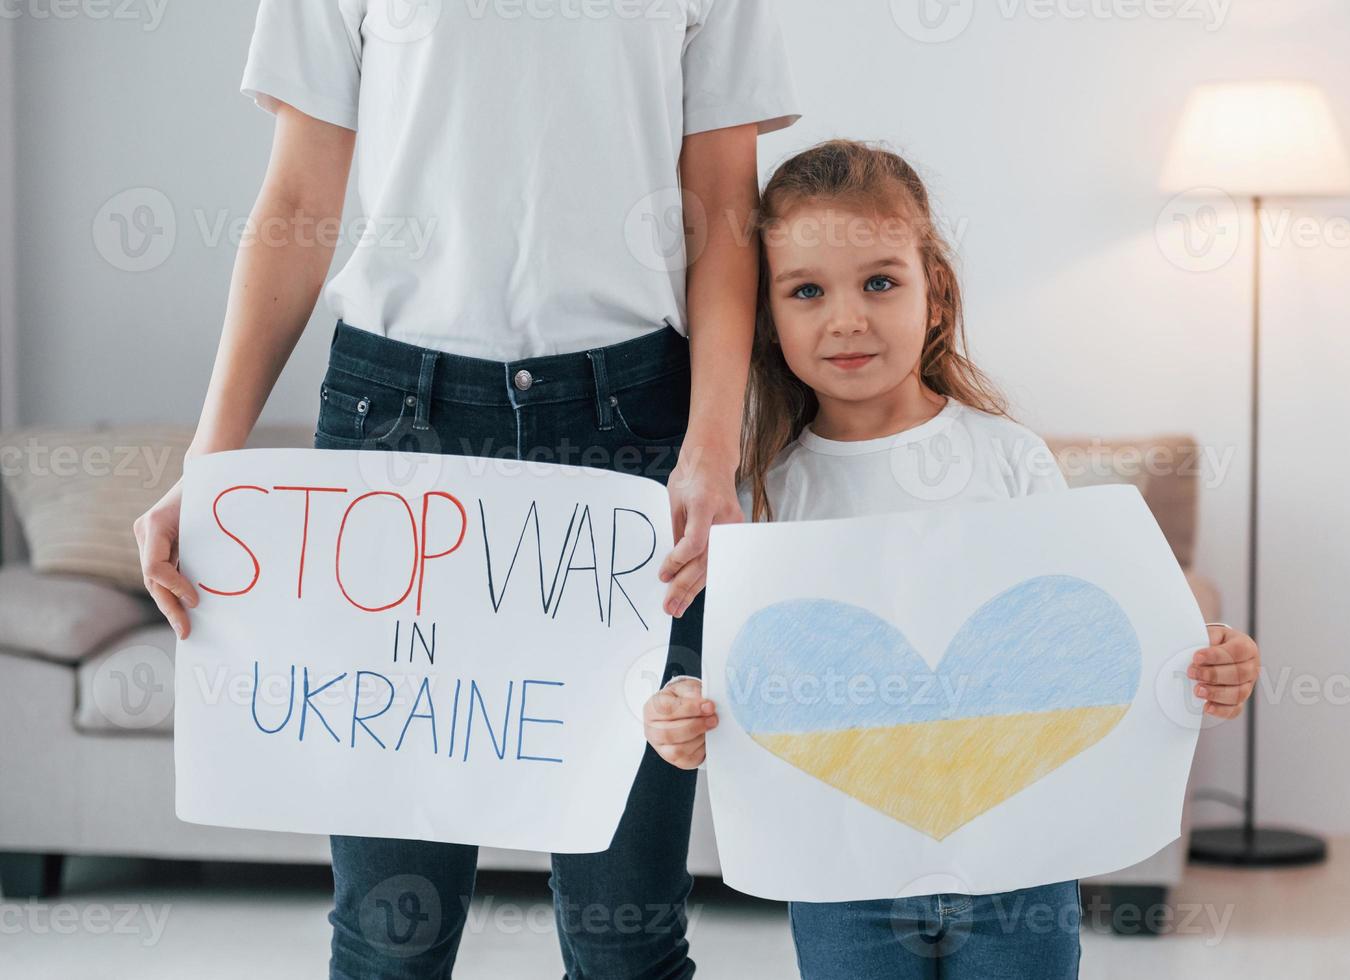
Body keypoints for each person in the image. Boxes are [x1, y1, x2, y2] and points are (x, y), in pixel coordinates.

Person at [134, 2, 800, 976]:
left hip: (628, 428)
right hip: (395, 420)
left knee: (631, 936)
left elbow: (725, 211)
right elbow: (297, 200)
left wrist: (712, 443)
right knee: (385, 935)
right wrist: (209, 464)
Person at [642, 139, 1263, 979]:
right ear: (766, 318)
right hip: (843, 870)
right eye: (806, 291)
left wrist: (1206, 658)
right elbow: (743, 669)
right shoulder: (757, 490)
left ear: (933, 294)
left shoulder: (1010, 458)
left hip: (1020, 865)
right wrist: (683, 711)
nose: (847, 317)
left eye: (880, 281)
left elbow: (1085, 628)